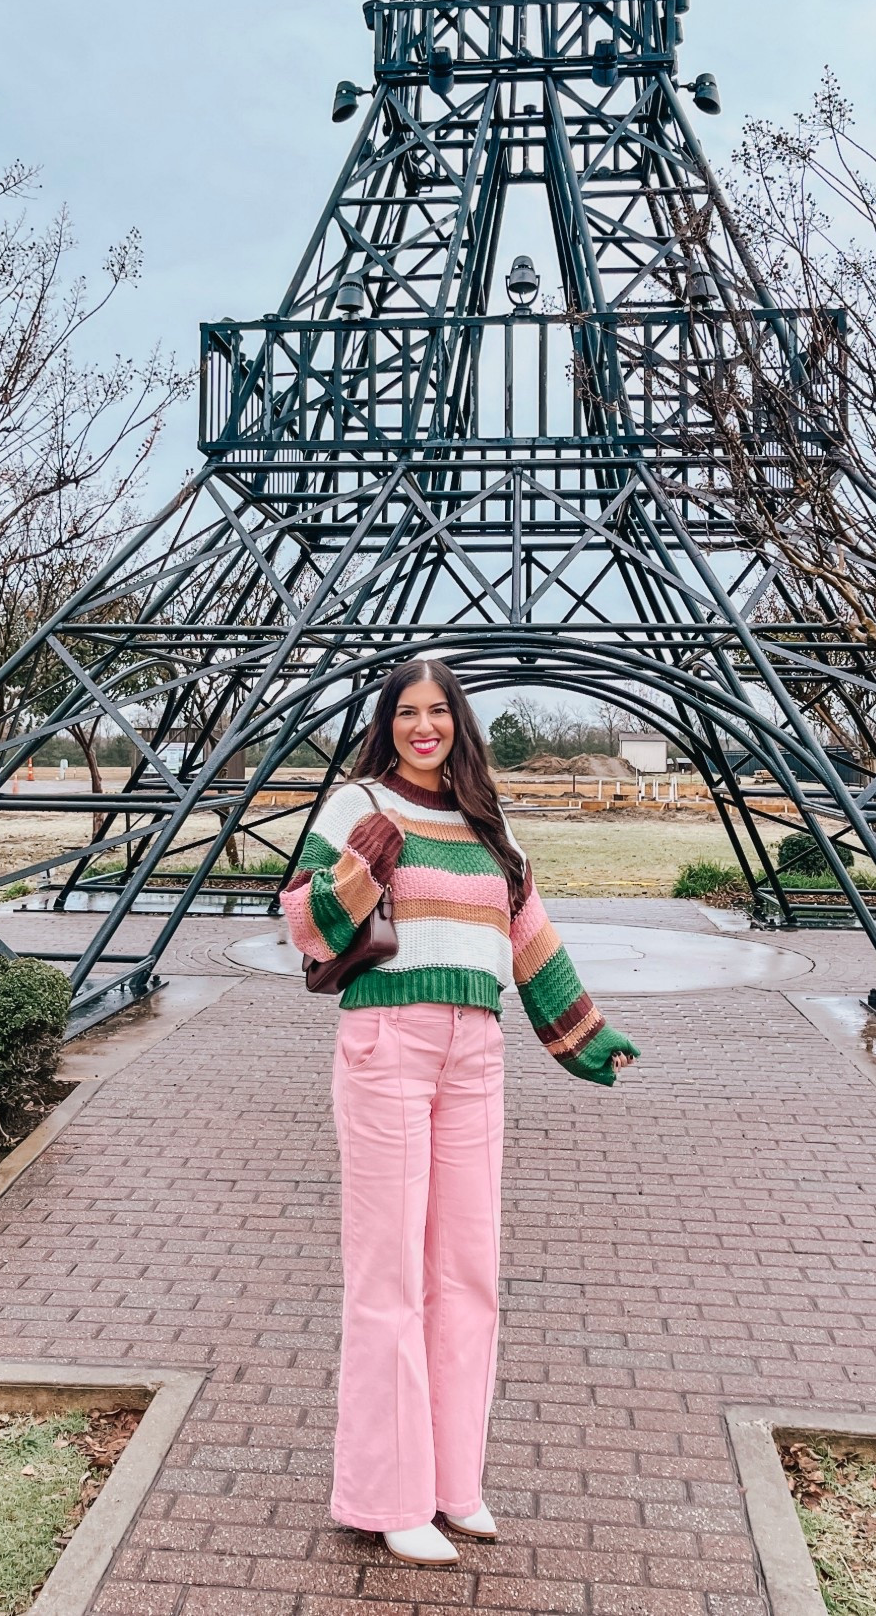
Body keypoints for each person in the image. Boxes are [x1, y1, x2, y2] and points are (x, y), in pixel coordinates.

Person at [281, 659, 639, 1568]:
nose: (423, 727)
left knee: (468, 1272)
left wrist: (583, 1031)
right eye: (407, 712)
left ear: (459, 724)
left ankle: (452, 1483)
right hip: (386, 1042)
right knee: (388, 1276)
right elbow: (306, 927)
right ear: (387, 723)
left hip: (475, 1050)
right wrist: (361, 871)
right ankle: (388, 1496)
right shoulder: (358, 802)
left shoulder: (488, 821)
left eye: (438, 712)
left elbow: (528, 933)